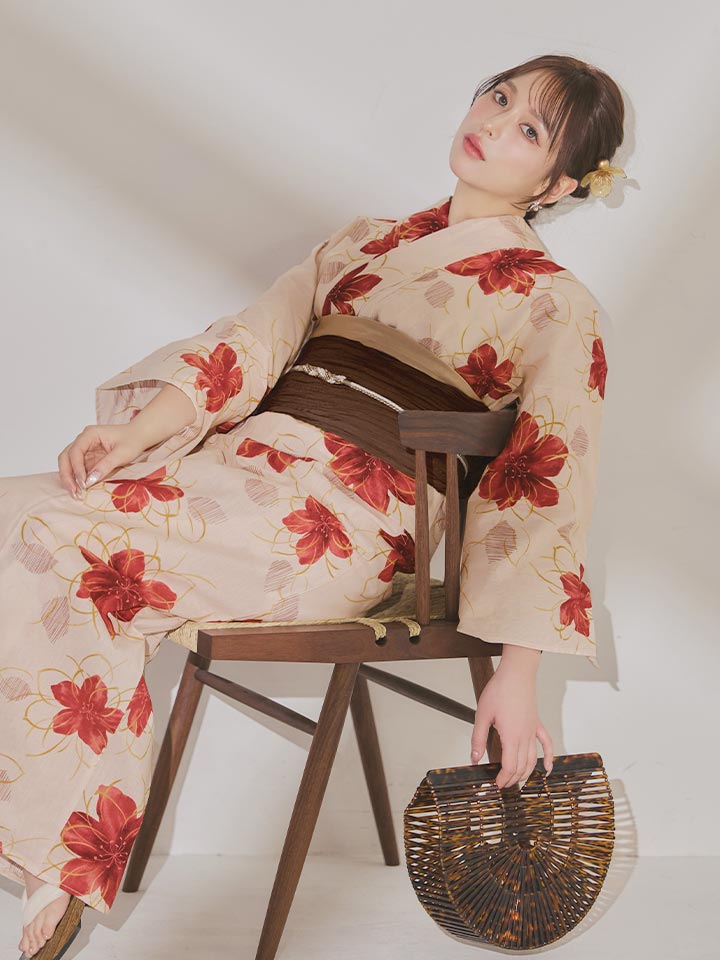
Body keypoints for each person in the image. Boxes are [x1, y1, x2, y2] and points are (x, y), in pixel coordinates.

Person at [1, 51, 626, 958]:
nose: (493, 124)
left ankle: (59, 862)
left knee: (59, 538)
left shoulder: (558, 305)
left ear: (558, 184)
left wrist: (517, 671)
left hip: (342, 526)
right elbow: (254, 339)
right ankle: (50, 824)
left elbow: (546, 482)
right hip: (238, 471)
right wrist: (140, 433)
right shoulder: (365, 241)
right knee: (16, 510)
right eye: (498, 98)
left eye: (528, 128)